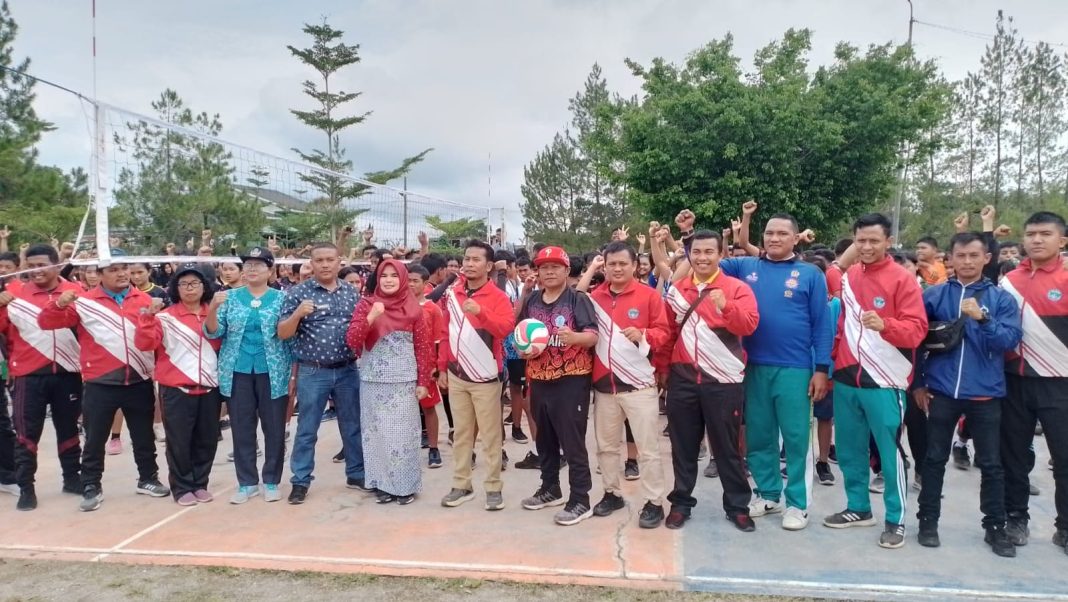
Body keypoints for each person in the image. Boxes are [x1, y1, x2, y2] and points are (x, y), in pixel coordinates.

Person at [712, 203, 832, 531]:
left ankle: (798, 503)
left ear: (796, 239)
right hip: (753, 366)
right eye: (769, 233)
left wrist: (821, 368)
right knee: (761, 436)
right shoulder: (745, 266)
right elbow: (710, 264)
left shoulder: (811, 274)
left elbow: (823, 324)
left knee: (795, 438)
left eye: (782, 233)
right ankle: (768, 493)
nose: (775, 238)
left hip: (795, 368)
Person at [912, 232, 1022, 557]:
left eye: (974, 255)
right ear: (950, 258)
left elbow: (1009, 341)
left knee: (991, 464)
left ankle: (995, 527)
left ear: (987, 257)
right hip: (941, 391)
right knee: (933, 460)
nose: (968, 262)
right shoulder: (933, 295)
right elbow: (917, 342)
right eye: (961, 255)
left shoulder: (1001, 299)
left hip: (985, 395)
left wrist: (982, 318)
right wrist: (918, 383)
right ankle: (927, 521)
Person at [824, 214, 927, 549]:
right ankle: (858, 507)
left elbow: (916, 331)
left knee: (889, 452)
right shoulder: (851, 275)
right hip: (846, 378)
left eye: (873, 241)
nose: (866, 247)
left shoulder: (903, 279)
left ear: (888, 241)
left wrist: (886, 325)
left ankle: (895, 519)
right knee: (851, 450)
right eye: (861, 241)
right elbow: (842, 325)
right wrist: (831, 365)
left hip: (885, 380)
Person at [38, 253, 170, 512]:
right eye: (114, 269)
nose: (122, 273)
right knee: (95, 439)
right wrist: (58, 305)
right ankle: (91, 485)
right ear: (98, 274)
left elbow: (153, 340)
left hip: (139, 380)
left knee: (144, 436)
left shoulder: (145, 300)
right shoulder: (84, 302)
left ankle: (148, 478)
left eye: (125, 268)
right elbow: (46, 323)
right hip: (100, 383)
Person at [660, 229, 759, 532]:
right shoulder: (677, 290)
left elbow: (750, 325)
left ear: (721, 254)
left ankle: (738, 506)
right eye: (697, 252)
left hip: (725, 381)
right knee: (683, 445)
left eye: (709, 252)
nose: (702, 258)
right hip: (683, 379)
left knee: (727, 447)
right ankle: (680, 503)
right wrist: (663, 370)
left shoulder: (737, 288)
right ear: (689, 254)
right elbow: (667, 333)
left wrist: (724, 305)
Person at [998, 211, 1068, 556]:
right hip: (1013, 381)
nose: (1036, 239)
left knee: (1064, 458)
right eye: (1031, 234)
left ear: (1062, 241)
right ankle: (1016, 518)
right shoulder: (1009, 279)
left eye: (1045, 233)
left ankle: (1065, 528)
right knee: (1013, 456)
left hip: (1059, 383)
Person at [588, 242, 671, 529]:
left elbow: (664, 333)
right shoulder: (594, 298)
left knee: (648, 450)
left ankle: (654, 502)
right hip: (604, 387)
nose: (618, 269)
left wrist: (644, 333)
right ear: (605, 266)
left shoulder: (649, 296)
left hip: (638, 386)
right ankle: (611, 493)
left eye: (623, 263)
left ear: (635, 265)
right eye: (612, 264)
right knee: (606, 448)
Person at [517, 246, 599, 526]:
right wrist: (525, 350)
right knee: (545, 440)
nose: (549, 271)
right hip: (539, 379)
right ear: (537, 272)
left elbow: (592, 336)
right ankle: (550, 488)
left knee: (573, 442)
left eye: (555, 266)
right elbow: (520, 336)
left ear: (567, 271)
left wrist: (574, 338)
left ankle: (580, 499)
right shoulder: (533, 301)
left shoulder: (577, 299)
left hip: (571, 379)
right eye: (543, 267)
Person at [278, 242, 365, 504]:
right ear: (311, 263)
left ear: (340, 261)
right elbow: (283, 332)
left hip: (347, 370)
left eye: (330, 259)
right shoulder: (298, 294)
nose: (325, 265)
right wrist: (297, 315)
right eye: (319, 260)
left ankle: (356, 473)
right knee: (307, 429)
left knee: (352, 426)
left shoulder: (351, 293)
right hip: (313, 372)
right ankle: (301, 480)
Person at [205, 247, 292, 504]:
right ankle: (247, 482)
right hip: (237, 370)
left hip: (272, 371)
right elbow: (214, 332)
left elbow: (288, 337)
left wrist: (294, 374)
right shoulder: (229, 297)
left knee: (274, 427)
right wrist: (212, 308)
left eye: (258, 265)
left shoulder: (282, 298)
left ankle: (272, 480)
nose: (252, 269)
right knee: (242, 427)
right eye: (248, 265)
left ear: (271, 271)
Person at [0, 244, 83, 510]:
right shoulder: (14, 293)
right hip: (28, 375)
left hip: (68, 372)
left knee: (69, 428)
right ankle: (27, 488)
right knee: (27, 434)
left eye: (42, 266)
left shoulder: (76, 292)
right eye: (31, 266)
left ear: (57, 265)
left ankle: (72, 478)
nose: (36, 271)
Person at [135, 264, 224, 506]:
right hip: (177, 390)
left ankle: (200, 483)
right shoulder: (165, 317)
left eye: (195, 283)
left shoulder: (217, 313)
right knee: (179, 441)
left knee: (206, 439)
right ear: (175, 287)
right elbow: (145, 343)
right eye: (183, 283)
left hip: (209, 388)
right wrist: (147, 317)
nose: (189, 288)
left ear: (205, 286)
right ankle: (182, 487)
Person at [346, 259, 433, 504]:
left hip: (404, 380)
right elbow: (352, 341)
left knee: (403, 436)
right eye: (384, 275)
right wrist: (371, 317)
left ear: (403, 278)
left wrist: (423, 380)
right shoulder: (366, 305)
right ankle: (381, 484)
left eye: (395, 275)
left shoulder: (414, 308)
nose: (389, 280)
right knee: (376, 435)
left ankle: (404, 487)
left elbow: (423, 347)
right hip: (372, 380)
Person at [439, 240, 515, 512]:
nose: (469, 264)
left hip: (485, 377)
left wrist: (480, 312)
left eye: (475, 260)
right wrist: (443, 366)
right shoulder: (453, 293)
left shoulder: (498, 297)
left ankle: (493, 487)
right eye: (466, 259)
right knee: (461, 433)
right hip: (457, 375)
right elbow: (446, 333)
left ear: (489, 266)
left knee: (491, 435)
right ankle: (462, 484)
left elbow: (505, 329)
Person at [407, 265, 446, 468]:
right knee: (405, 411)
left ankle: (433, 448)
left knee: (429, 408)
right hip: (403, 367)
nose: (411, 284)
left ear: (424, 284)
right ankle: (406, 449)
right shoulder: (397, 308)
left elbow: (439, 340)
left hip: (425, 367)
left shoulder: (432, 309)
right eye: (408, 280)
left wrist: (437, 368)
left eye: (415, 280)